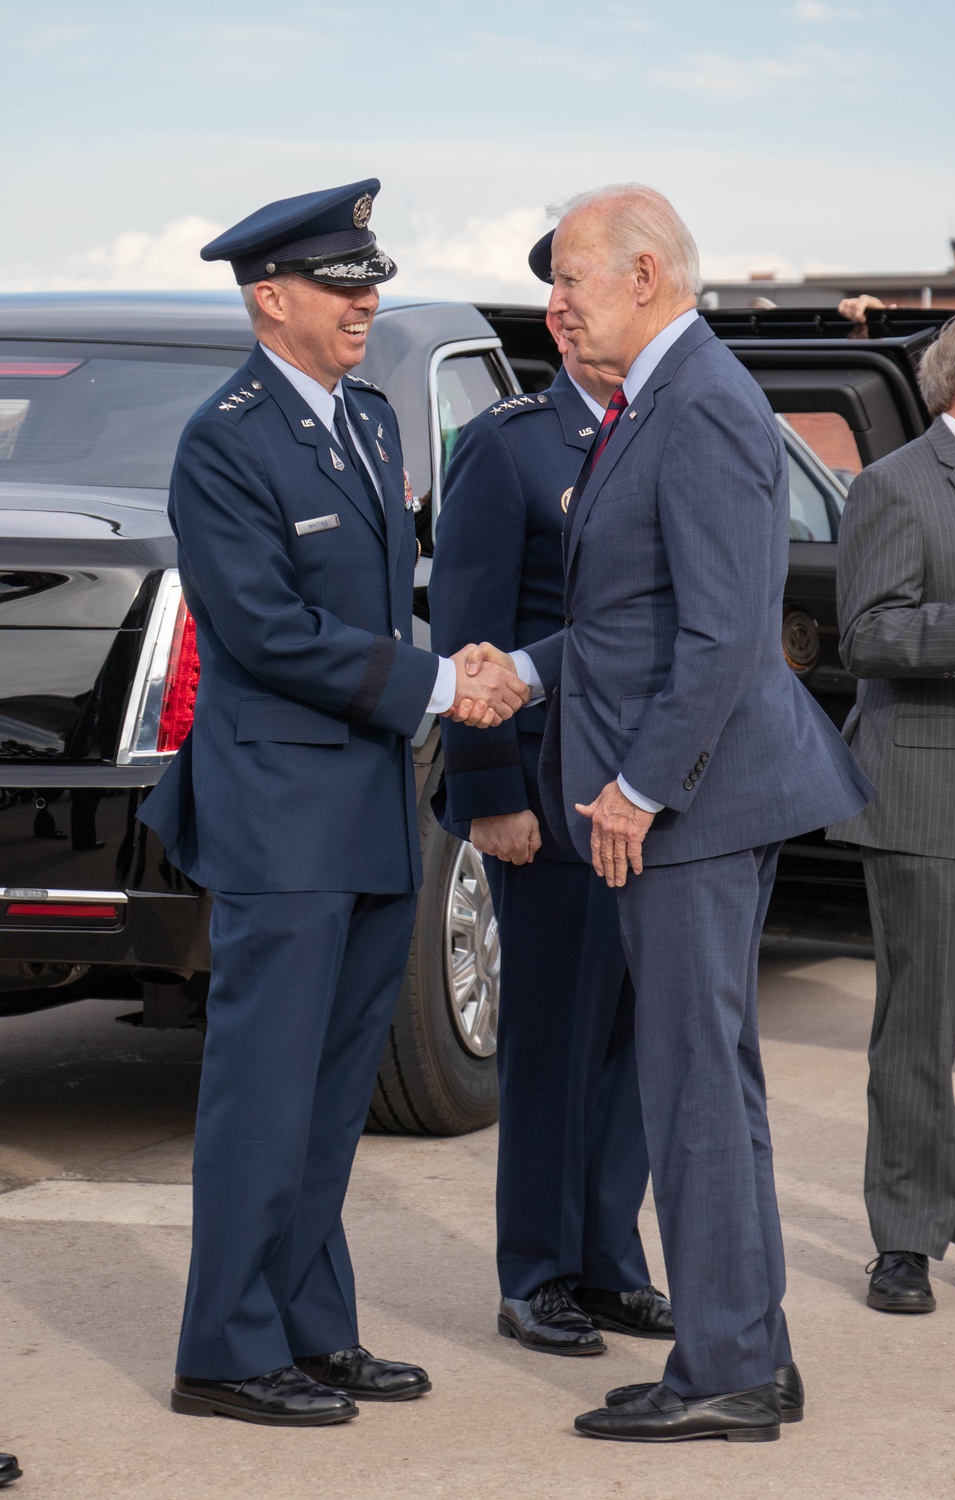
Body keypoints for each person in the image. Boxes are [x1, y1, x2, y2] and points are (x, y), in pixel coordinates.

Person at [480, 182, 872, 1443]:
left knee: (695, 1083)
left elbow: (718, 636)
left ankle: (727, 1373)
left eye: (573, 282)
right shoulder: (657, 399)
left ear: (644, 276)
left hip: (690, 807)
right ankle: (744, 1343)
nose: (556, 304)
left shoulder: (697, 404)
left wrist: (637, 791)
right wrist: (529, 671)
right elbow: (625, 616)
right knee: (709, 1081)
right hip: (689, 796)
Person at [136, 180, 528, 1427]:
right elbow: (261, 627)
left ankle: (310, 1327)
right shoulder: (226, 436)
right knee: (264, 1087)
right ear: (272, 298)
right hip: (279, 812)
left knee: (331, 1087)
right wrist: (433, 682)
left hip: (364, 800)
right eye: (341, 285)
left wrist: (450, 669)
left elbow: (382, 590)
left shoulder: (361, 417)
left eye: (370, 282)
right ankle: (225, 1350)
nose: (366, 303)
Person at [429, 309, 672, 1357]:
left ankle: (610, 1260)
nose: (582, 316)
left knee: (634, 1042)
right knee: (553, 1044)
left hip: (650, 791)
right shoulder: (509, 441)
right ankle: (537, 1271)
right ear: (563, 328)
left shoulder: (655, 427)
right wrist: (489, 793)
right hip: (548, 790)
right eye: (568, 300)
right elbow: (469, 622)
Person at [828, 302, 955, 1313]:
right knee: (916, 1035)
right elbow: (867, 639)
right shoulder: (893, 486)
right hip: (928, 800)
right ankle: (904, 1242)